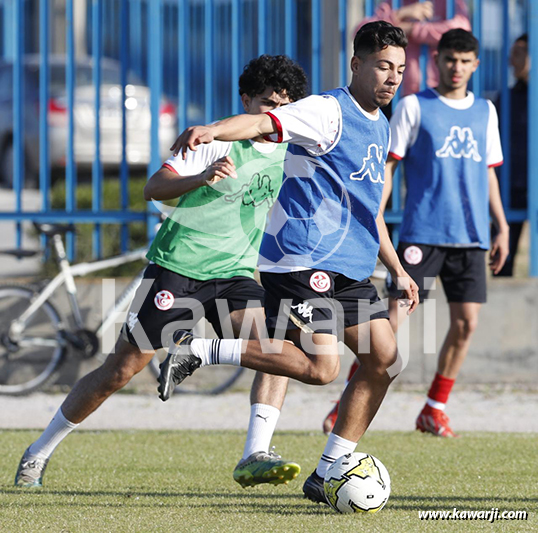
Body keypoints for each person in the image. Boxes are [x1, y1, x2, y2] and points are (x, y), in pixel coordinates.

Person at [14, 55, 308, 488]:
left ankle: (254, 453)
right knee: (120, 371)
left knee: (271, 349)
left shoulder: (289, 150)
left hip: (235, 274)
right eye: (266, 104)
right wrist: (202, 177)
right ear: (244, 99)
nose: (273, 116)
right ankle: (37, 452)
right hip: (179, 269)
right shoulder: (214, 140)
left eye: (283, 107)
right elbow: (154, 187)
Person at [158, 21, 419, 503]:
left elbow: (369, 209)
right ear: (357, 64)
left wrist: (398, 269)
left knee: (385, 359)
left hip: (352, 265)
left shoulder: (381, 123)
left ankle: (326, 473)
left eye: (400, 69)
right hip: (303, 261)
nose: (393, 77)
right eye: (383, 66)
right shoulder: (326, 111)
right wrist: (213, 130)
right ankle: (200, 349)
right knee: (323, 369)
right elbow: (260, 123)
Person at [323, 29, 509, 438]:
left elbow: (490, 172)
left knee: (466, 324)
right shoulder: (412, 107)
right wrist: (375, 212)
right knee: (391, 322)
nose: (456, 68)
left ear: (475, 65)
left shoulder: (486, 111)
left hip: (471, 234)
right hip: (422, 232)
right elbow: (388, 167)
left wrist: (502, 225)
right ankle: (345, 404)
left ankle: (434, 408)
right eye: (449, 60)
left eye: (465, 61)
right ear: (437, 62)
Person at [359, 0, 471, 96]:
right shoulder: (395, 3)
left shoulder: (450, 3)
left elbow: (461, 31)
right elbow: (361, 31)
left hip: (437, 90)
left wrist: (411, 29)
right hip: (396, 91)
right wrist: (400, 14)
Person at [494, 34, 528, 277]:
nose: (510, 60)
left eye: (517, 53)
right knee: (503, 259)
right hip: (511, 185)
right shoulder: (505, 99)